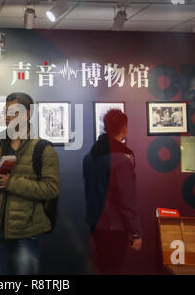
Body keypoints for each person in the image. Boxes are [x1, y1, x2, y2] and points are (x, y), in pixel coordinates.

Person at [0, 93, 60, 275]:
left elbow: (52, 189)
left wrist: (11, 183)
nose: (8, 116)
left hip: (28, 231)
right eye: (6, 112)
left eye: (12, 112)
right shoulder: (1, 144)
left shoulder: (43, 149)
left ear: (27, 114)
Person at [83, 109, 142, 274]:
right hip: (115, 227)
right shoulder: (122, 161)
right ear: (124, 130)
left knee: (102, 265)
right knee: (112, 268)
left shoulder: (90, 158)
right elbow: (127, 201)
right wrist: (136, 232)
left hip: (96, 224)